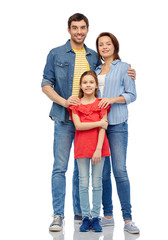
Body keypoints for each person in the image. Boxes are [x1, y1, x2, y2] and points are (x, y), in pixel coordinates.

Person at [41, 13, 136, 232]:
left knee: (82, 167)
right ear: (69, 30)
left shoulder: (94, 56)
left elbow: (109, 74)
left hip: (93, 120)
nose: (79, 31)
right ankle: (58, 215)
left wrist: (129, 72)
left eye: (83, 27)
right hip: (66, 117)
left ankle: (82, 213)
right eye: (74, 28)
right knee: (60, 167)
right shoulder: (55, 53)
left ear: (87, 29)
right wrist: (65, 102)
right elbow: (46, 84)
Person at [94, 32, 140, 234]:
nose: (104, 47)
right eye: (101, 44)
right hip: (98, 125)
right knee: (103, 172)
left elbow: (132, 95)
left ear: (114, 46)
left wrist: (111, 100)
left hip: (118, 123)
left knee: (120, 170)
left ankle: (128, 218)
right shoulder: (94, 70)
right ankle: (108, 216)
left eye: (108, 43)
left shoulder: (124, 68)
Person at [68, 70, 111, 232]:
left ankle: (95, 217)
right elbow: (78, 126)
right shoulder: (75, 105)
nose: (88, 85)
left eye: (91, 82)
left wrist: (98, 149)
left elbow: (104, 127)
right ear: (80, 85)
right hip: (82, 147)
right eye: (85, 82)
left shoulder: (102, 103)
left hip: (99, 148)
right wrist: (99, 122)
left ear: (96, 85)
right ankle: (86, 217)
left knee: (97, 183)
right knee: (84, 183)